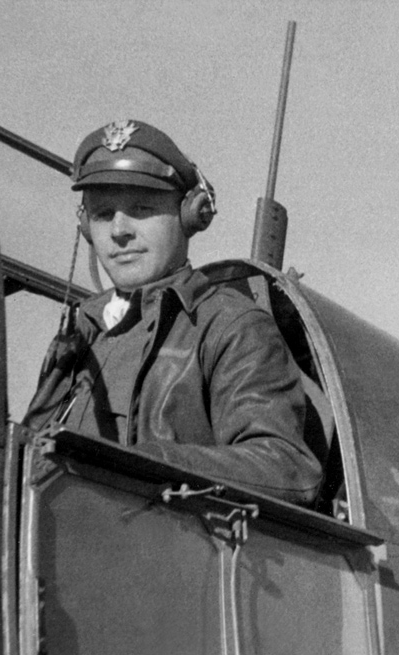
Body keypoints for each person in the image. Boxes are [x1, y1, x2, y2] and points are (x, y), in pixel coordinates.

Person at [24, 119, 322, 505]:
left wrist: (149, 465)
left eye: (141, 209)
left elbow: (286, 467)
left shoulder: (231, 327)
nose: (118, 230)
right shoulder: (81, 332)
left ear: (189, 215)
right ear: (84, 226)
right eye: (102, 214)